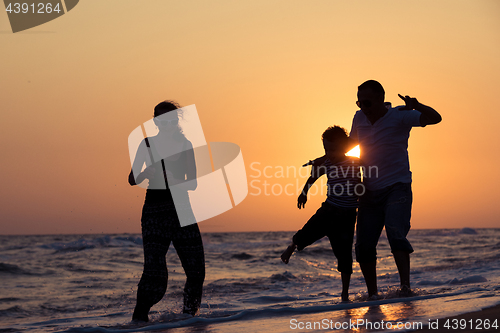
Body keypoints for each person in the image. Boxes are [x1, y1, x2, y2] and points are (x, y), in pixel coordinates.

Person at [350, 80, 442, 298]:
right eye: (359, 102)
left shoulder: (400, 115)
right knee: (363, 245)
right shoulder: (359, 118)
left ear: (381, 99)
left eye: (368, 102)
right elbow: (348, 146)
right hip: (368, 190)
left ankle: (405, 289)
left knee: (395, 232)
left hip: (397, 187)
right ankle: (372, 295)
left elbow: (435, 118)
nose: (364, 107)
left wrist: (417, 105)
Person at [128, 101, 205, 321]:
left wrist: (176, 181)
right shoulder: (147, 144)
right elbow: (132, 179)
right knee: (155, 275)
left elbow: (193, 184)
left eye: (171, 120)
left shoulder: (186, 144)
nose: (167, 124)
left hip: (182, 210)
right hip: (154, 212)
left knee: (196, 271)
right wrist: (145, 172)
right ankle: (139, 319)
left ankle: (189, 318)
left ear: (177, 121)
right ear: (155, 121)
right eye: (162, 120)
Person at [281, 126, 361, 302]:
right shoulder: (327, 163)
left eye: (333, 149)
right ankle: (292, 247)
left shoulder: (355, 163)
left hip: (347, 216)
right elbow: (313, 177)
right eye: (326, 149)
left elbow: (362, 184)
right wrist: (304, 192)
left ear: (345, 147)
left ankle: (345, 294)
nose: (330, 153)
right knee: (308, 230)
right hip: (329, 209)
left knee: (344, 254)